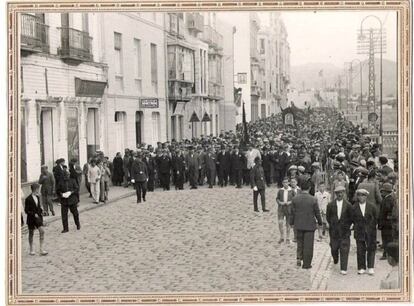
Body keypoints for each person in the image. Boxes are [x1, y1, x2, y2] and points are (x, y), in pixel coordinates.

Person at [290, 180, 322, 269]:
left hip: (298, 224)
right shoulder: (313, 199)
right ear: (309, 188)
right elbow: (317, 213)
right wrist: (320, 222)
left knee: (299, 242)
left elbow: (292, 213)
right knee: (308, 245)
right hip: (309, 225)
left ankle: (299, 258)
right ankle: (307, 264)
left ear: (301, 188)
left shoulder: (295, 199)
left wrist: (291, 223)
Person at [326, 186, 353, 275]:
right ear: (335, 194)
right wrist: (333, 225)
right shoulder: (330, 205)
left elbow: (351, 217)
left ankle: (343, 268)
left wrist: (347, 226)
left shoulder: (348, 205)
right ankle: (335, 257)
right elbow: (328, 217)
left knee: (344, 249)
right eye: (338, 193)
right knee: (334, 248)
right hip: (334, 231)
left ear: (344, 193)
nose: (340, 194)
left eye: (341, 193)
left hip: (345, 231)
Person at [352, 188, 378, 275]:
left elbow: (376, 218)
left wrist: (373, 226)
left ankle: (370, 267)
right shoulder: (354, 207)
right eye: (359, 195)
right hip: (359, 231)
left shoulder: (372, 206)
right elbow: (352, 219)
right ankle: (361, 267)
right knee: (360, 249)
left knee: (371, 248)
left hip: (370, 231)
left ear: (366, 197)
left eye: (363, 195)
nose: (361, 197)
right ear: (357, 196)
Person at [24, 183, 48, 255]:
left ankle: (41, 249)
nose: (39, 190)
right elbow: (26, 210)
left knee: (42, 231)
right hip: (31, 219)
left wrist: (42, 211)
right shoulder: (28, 199)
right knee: (31, 233)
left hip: (38, 219)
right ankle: (31, 249)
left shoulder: (37, 197)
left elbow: (38, 208)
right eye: (38, 188)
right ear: (36, 189)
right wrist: (33, 214)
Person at [56, 169, 81, 233]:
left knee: (75, 214)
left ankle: (77, 224)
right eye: (66, 175)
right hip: (64, 201)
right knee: (64, 215)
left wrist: (71, 192)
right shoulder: (60, 182)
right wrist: (61, 194)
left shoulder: (73, 180)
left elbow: (76, 189)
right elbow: (57, 190)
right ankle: (65, 228)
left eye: (68, 175)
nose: (67, 176)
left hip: (72, 200)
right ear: (63, 176)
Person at [378, 183, 395, 260]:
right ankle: (388, 254)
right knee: (388, 239)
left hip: (386, 223)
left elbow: (387, 210)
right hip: (389, 223)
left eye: (383, 191)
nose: (382, 193)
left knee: (386, 239)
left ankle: (386, 254)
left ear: (386, 191)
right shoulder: (391, 199)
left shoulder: (387, 200)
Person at [276, 178, 294, 243]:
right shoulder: (280, 190)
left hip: (289, 209)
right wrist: (280, 202)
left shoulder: (291, 191)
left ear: (289, 183)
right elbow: (277, 198)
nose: (285, 184)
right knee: (280, 222)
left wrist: (290, 202)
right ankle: (282, 237)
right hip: (281, 209)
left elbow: (294, 199)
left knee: (288, 224)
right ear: (282, 183)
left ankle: (288, 237)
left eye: (286, 182)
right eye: (284, 182)